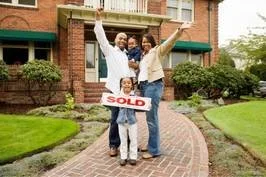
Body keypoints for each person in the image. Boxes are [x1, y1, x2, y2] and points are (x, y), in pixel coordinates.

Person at [138, 22, 192, 159]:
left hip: (153, 85)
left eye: (147, 42)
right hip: (144, 87)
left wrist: (179, 30)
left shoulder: (157, 51)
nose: (145, 44)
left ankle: (154, 150)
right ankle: (151, 145)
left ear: (152, 42)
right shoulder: (144, 56)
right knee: (149, 117)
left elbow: (169, 42)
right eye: (143, 42)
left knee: (152, 118)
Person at [94, 8, 138, 157]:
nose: (123, 41)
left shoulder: (128, 56)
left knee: (130, 119)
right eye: (120, 38)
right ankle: (114, 145)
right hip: (114, 90)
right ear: (115, 40)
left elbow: (132, 74)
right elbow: (101, 37)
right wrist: (98, 19)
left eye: (125, 39)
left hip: (128, 92)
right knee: (115, 119)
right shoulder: (109, 51)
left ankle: (130, 144)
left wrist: (135, 71)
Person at [116, 77, 138, 166]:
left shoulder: (135, 96)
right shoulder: (117, 96)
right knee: (123, 140)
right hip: (121, 121)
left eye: (129, 83)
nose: (126, 84)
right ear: (121, 84)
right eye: (124, 83)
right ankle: (123, 157)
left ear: (132, 85)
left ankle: (133, 157)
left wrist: (147, 105)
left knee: (133, 139)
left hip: (132, 121)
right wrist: (104, 101)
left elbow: (140, 107)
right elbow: (112, 105)